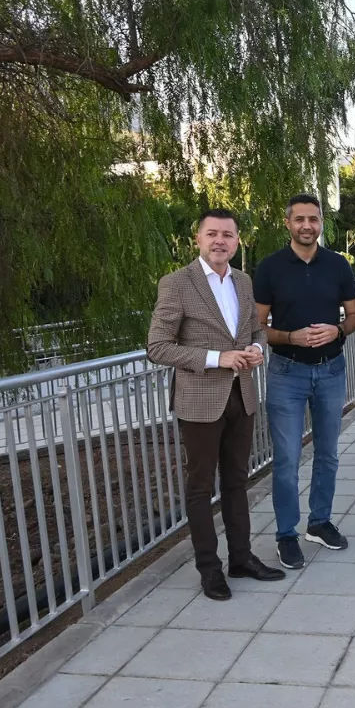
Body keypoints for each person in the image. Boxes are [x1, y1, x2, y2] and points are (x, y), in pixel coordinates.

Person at [147, 209, 285, 601]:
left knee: (238, 482)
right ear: (198, 239)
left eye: (227, 234)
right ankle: (210, 569)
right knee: (200, 488)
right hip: (200, 401)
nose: (219, 240)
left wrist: (257, 347)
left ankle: (241, 558)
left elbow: (255, 328)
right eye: (212, 234)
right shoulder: (176, 283)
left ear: (237, 241)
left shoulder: (243, 281)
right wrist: (216, 358)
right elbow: (157, 347)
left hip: (241, 396)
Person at [254, 193, 355, 570]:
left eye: (313, 219)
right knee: (286, 459)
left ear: (321, 223)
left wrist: (337, 330)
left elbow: (354, 316)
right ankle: (287, 534)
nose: (307, 225)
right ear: (288, 223)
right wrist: (290, 337)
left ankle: (319, 522)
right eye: (299, 219)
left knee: (328, 453)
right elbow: (257, 327)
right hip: (287, 372)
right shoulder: (269, 268)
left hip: (331, 370)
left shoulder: (338, 265)